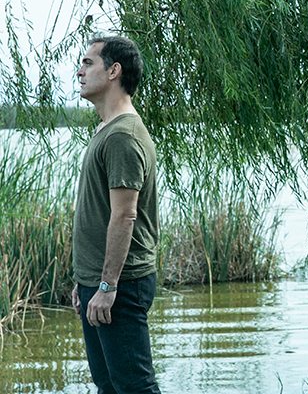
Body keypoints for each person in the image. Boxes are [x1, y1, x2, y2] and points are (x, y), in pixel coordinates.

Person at [71, 35, 161, 393]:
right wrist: (87, 281)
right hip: (100, 282)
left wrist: (108, 286)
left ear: (114, 71)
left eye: (88, 63)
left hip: (121, 284)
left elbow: (124, 217)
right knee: (109, 385)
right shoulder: (106, 130)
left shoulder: (124, 136)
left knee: (135, 387)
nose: (79, 71)